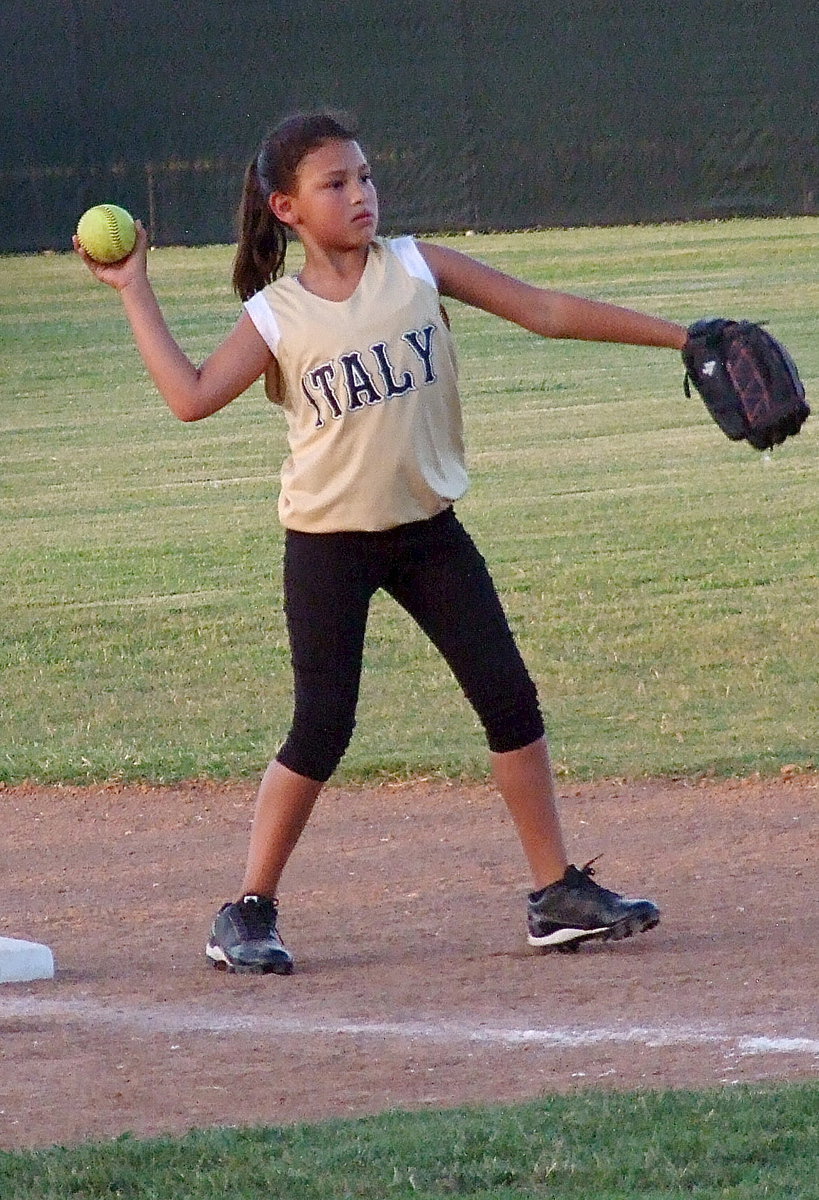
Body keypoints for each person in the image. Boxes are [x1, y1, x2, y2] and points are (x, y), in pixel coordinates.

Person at [76, 111, 688, 975]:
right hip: (328, 545)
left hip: (429, 535)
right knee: (322, 726)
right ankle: (245, 909)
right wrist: (135, 289)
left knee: (509, 702)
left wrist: (683, 336)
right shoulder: (278, 314)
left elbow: (544, 310)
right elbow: (190, 395)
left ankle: (555, 893)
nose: (359, 194)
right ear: (286, 208)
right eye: (335, 184)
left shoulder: (416, 265)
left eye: (364, 177)